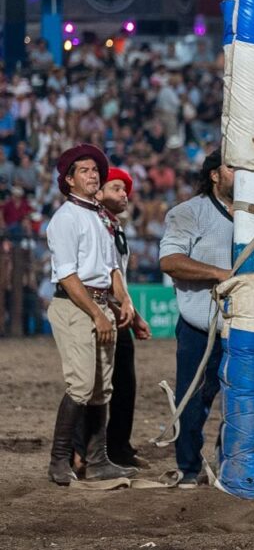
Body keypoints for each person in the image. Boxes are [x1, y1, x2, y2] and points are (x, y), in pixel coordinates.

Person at [158, 150, 254, 487]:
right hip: (206, 327)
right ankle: (188, 470)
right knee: (194, 399)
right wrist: (221, 274)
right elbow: (170, 261)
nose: (241, 173)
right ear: (214, 175)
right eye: (232, 167)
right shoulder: (188, 213)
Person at [45, 144, 137, 485]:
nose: (92, 174)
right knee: (82, 385)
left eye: (95, 169)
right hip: (77, 306)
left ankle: (98, 460)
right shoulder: (65, 218)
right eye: (83, 170)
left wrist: (124, 300)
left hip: (98, 305)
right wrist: (98, 314)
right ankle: (59, 461)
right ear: (69, 180)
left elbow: (112, 267)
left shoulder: (100, 217)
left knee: (101, 388)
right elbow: (68, 276)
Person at [96, 167, 152, 469]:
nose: (124, 194)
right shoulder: (94, 225)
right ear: (99, 192)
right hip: (99, 310)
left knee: (124, 382)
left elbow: (119, 278)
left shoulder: (115, 228)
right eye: (116, 188)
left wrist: (134, 314)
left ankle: (118, 446)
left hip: (117, 312)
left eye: (125, 189)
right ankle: (83, 451)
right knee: (94, 385)